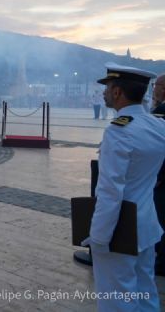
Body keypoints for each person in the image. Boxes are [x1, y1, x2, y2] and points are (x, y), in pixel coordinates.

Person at [81, 63, 165, 311]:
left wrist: (98, 237)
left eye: (107, 88)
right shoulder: (157, 125)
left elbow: (110, 191)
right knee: (145, 290)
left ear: (117, 92)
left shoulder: (118, 131)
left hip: (120, 229)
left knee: (117, 298)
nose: (105, 93)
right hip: (147, 224)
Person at [151, 73, 165, 277]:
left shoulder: (161, 111)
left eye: (156, 85)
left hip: (162, 177)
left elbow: (158, 145)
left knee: (162, 216)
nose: (154, 88)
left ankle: (162, 262)